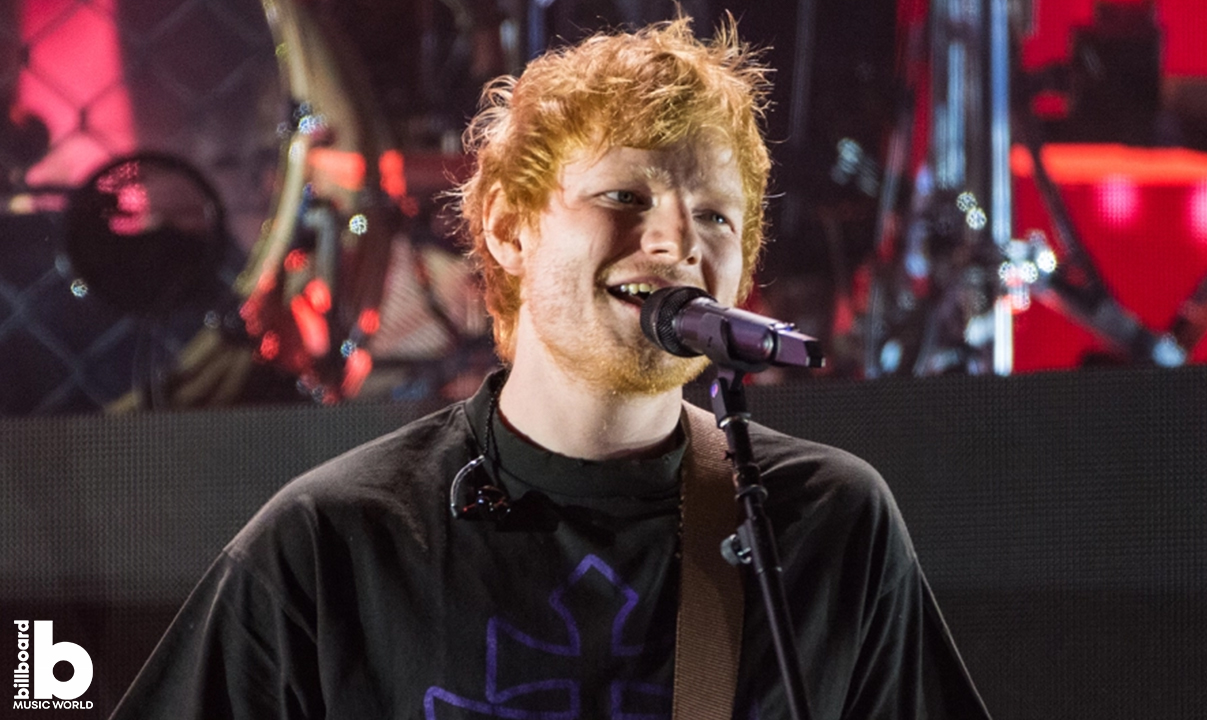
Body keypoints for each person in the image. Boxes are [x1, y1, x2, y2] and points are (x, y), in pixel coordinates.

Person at [110, 16, 991, 720]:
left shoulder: (828, 525)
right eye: (626, 196)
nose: (677, 242)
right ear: (506, 226)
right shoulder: (333, 546)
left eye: (716, 217)